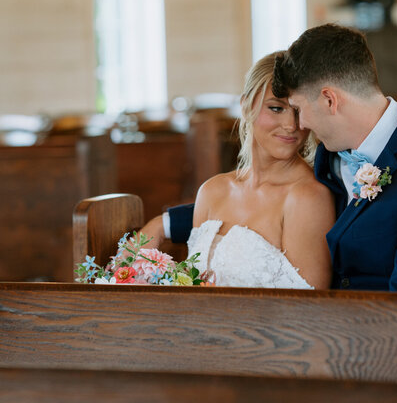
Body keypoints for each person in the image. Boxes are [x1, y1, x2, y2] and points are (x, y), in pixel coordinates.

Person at [155, 23, 397, 295]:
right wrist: (167, 224)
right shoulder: (334, 155)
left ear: (329, 100)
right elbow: (260, 201)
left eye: (299, 110)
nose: (299, 126)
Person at [141, 51, 334, 289]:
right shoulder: (212, 191)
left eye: (298, 111)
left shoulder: (308, 198)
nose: (291, 125)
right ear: (245, 106)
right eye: (276, 108)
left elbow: (312, 311)